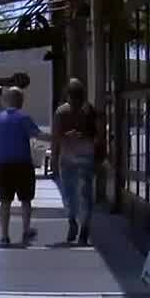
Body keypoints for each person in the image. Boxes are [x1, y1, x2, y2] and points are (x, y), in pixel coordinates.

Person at [0, 87, 44, 246]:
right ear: (21, 101)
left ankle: (4, 235)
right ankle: (26, 230)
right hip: (23, 164)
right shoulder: (24, 118)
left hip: (3, 165)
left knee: (4, 202)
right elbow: (38, 135)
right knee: (25, 200)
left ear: (6, 100)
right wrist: (58, 138)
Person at [51, 79, 102, 245]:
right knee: (83, 195)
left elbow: (56, 137)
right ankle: (82, 228)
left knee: (70, 193)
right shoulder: (89, 110)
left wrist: (65, 139)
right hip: (85, 156)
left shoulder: (61, 111)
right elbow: (98, 136)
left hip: (69, 157)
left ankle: (74, 222)